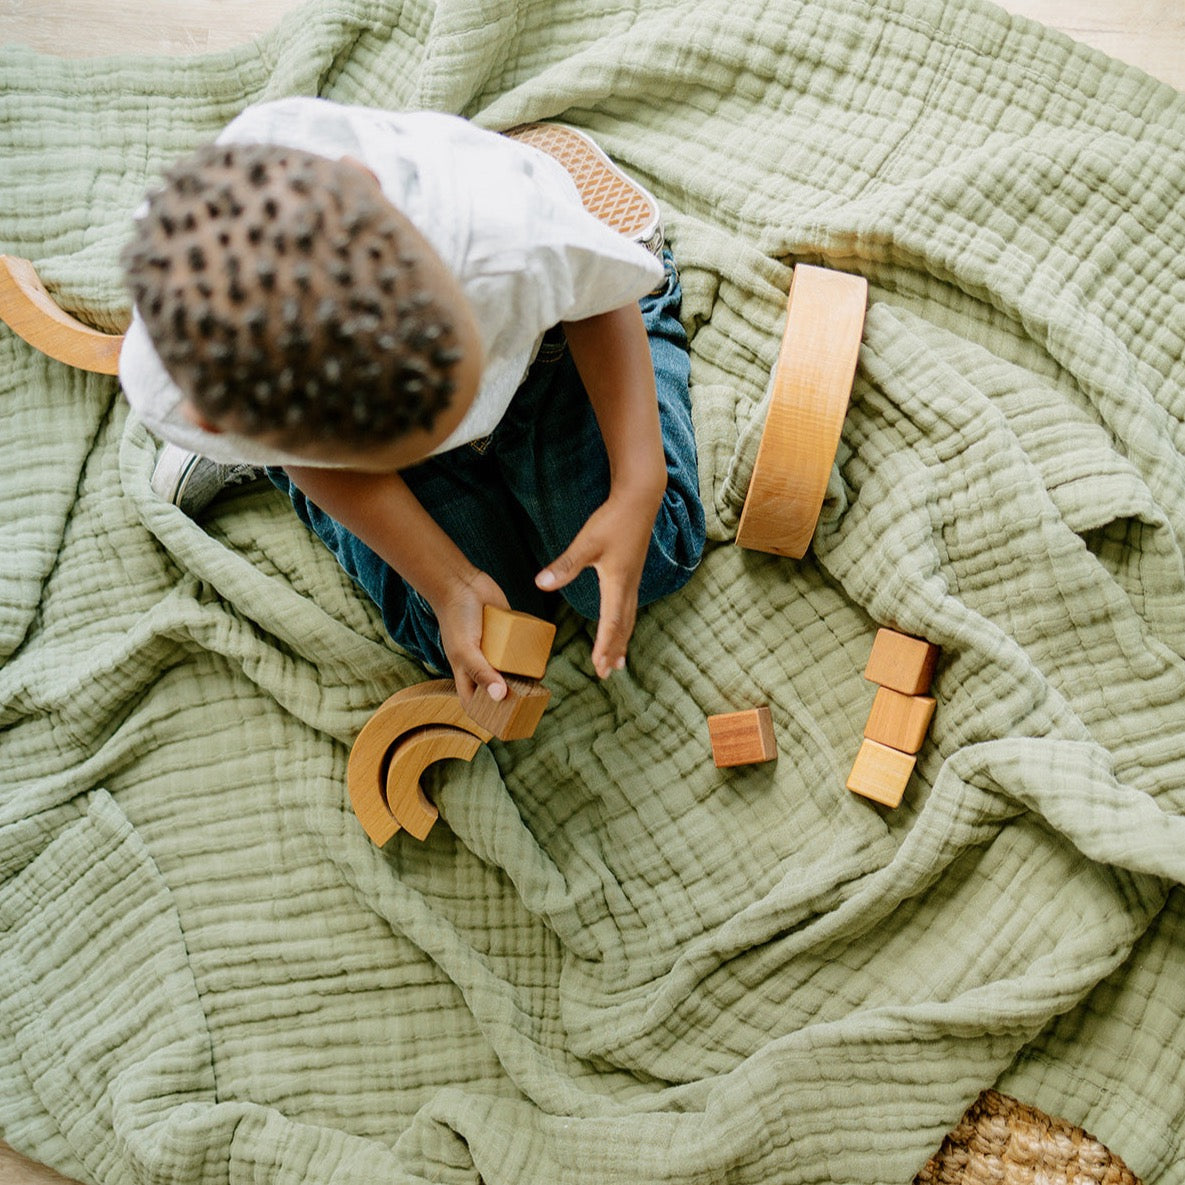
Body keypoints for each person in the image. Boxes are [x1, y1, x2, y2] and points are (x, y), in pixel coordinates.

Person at [119, 97, 705, 709]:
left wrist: (638, 483)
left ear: (369, 187)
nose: (450, 433)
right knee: (471, 635)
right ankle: (272, 468)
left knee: (649, 559)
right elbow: (316, 459)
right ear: (220, 421)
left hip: (544, 354)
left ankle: (638, 271)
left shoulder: (504, 231)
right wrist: (448, 585)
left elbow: (596, 305)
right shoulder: (192, 389)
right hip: (368, 446)